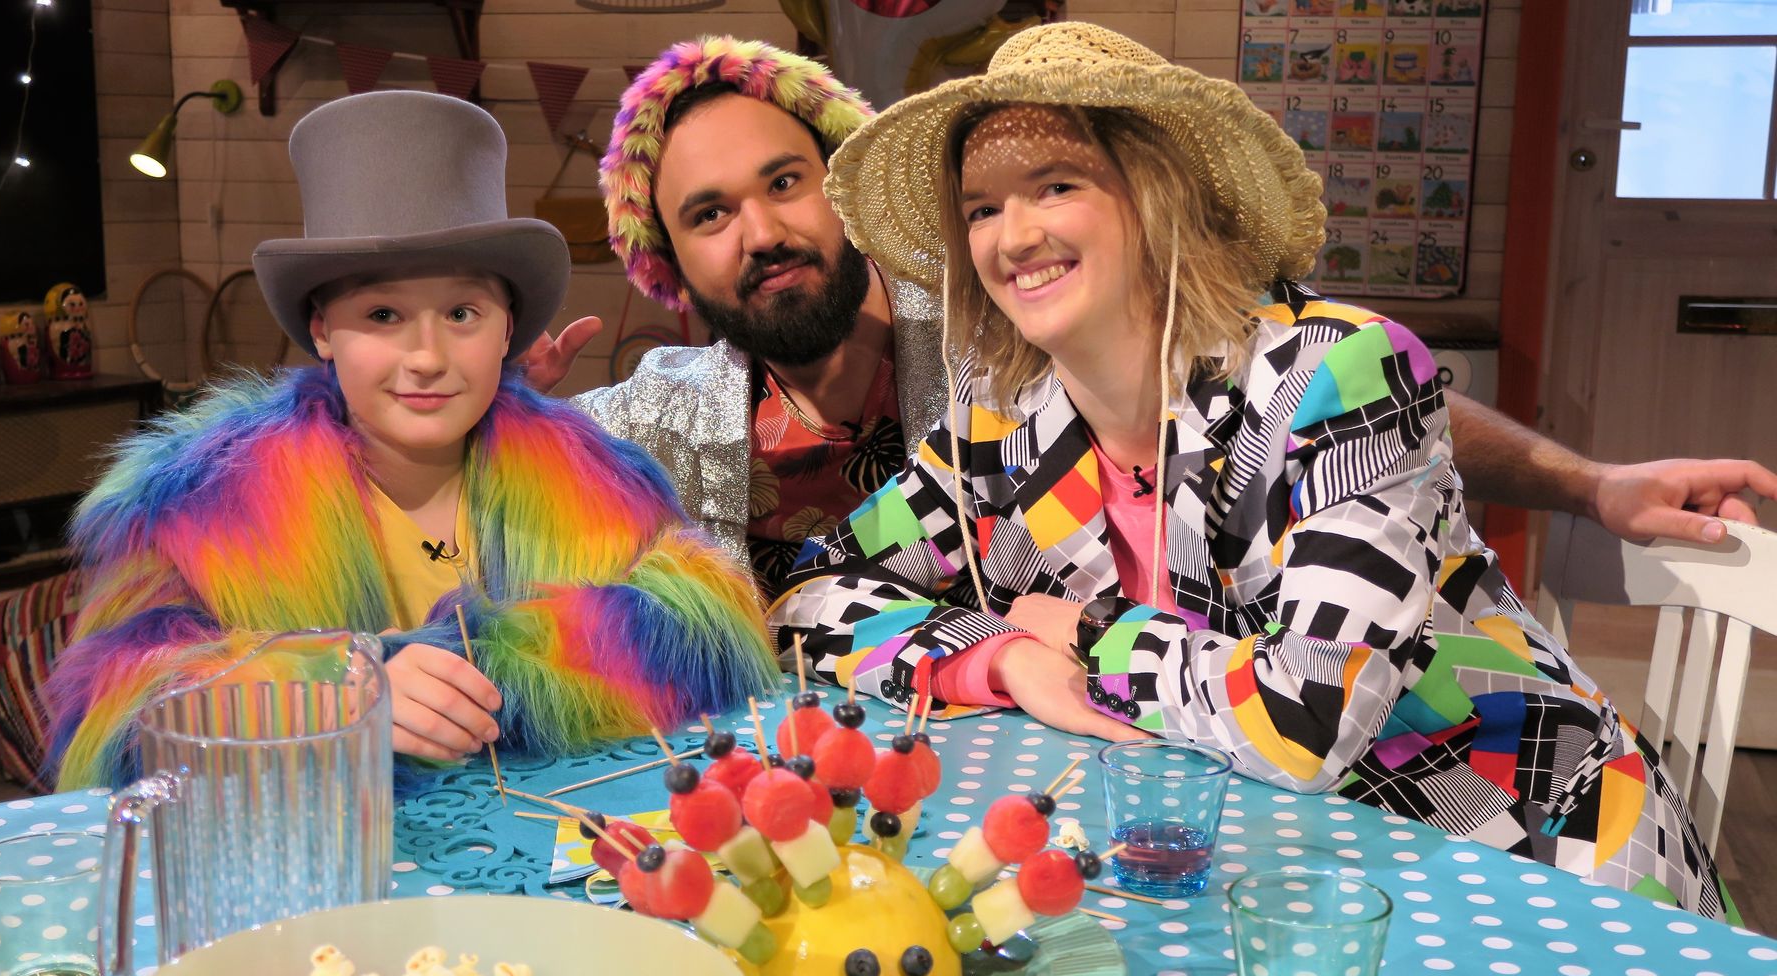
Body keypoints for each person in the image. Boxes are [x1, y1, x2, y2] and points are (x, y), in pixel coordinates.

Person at [768, 23, 1732, 919]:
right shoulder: (999, 422)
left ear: (1156, 196)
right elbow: (810, 598)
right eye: (982, 208)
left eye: (1056, 186)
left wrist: (1088, 632)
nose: (1012, 237)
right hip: (1257, 855)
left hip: (1517, 843)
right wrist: (1005, 652)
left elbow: (1304, 719)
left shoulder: (1339, 373)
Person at [523, 37, 1775, 600]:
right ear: (669, 263)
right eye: (709, 214)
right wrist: (490, 408)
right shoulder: (657, 416)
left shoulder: (1008, 331)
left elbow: (1331, 405)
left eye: (786, 182)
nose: (760, 230)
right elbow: (505, 501)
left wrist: (1586, 483)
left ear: (842, 196)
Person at [43, 91, 774, 790]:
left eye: (461, 314)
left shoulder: (591, 477)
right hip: (334, 859)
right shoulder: (197, 502)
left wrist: (491, 673)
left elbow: (712, 630)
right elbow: (112, 719)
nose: (426, 357)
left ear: (507, 328)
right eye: (383, 315)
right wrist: (331, 692)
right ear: (322, 329)